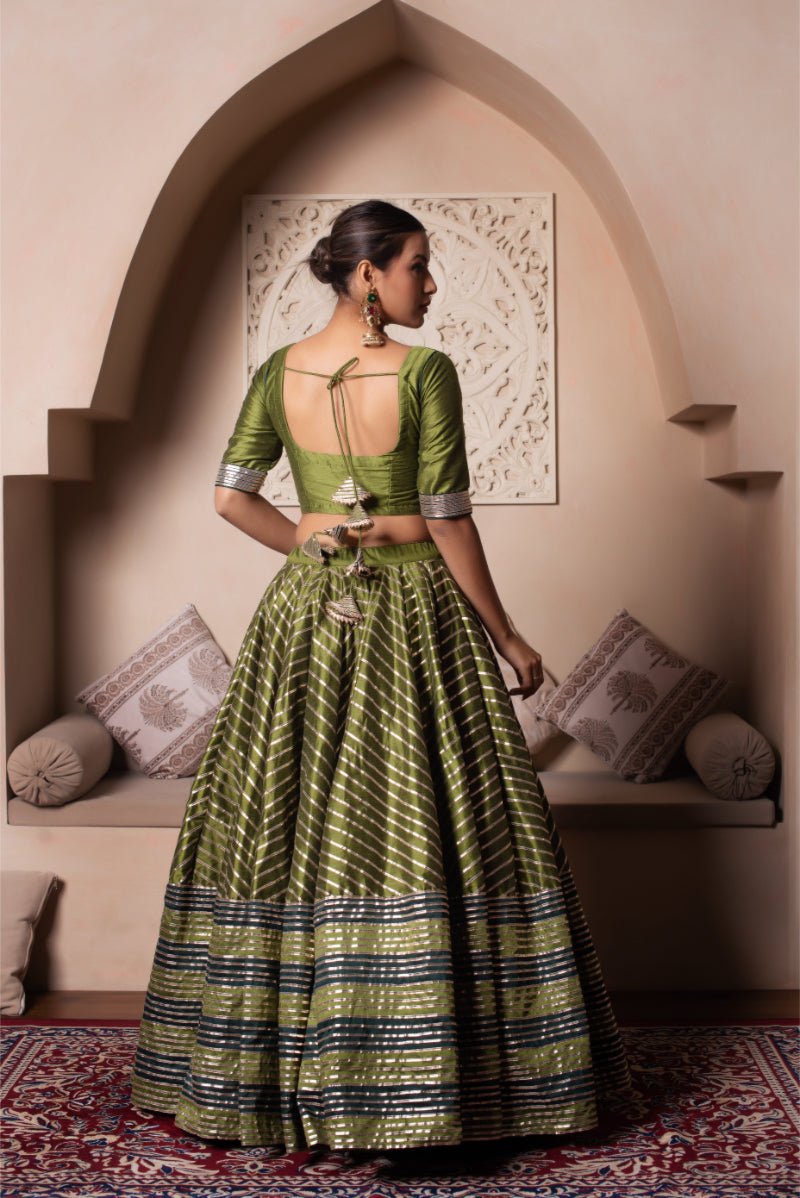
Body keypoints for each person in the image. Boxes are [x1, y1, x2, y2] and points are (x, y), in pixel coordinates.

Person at [129, 198, 634, 1155]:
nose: (429, 285)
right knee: (433, 818)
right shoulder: (425, 372)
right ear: (368, 275)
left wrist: (310, 540)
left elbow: (231, 498)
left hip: (305, 613)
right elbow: (446, 518)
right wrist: (508, 637)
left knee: (289, 816)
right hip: (412, 609)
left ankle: (272, 1077)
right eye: (415, 266)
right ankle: (435, 1077)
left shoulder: (279, 371)